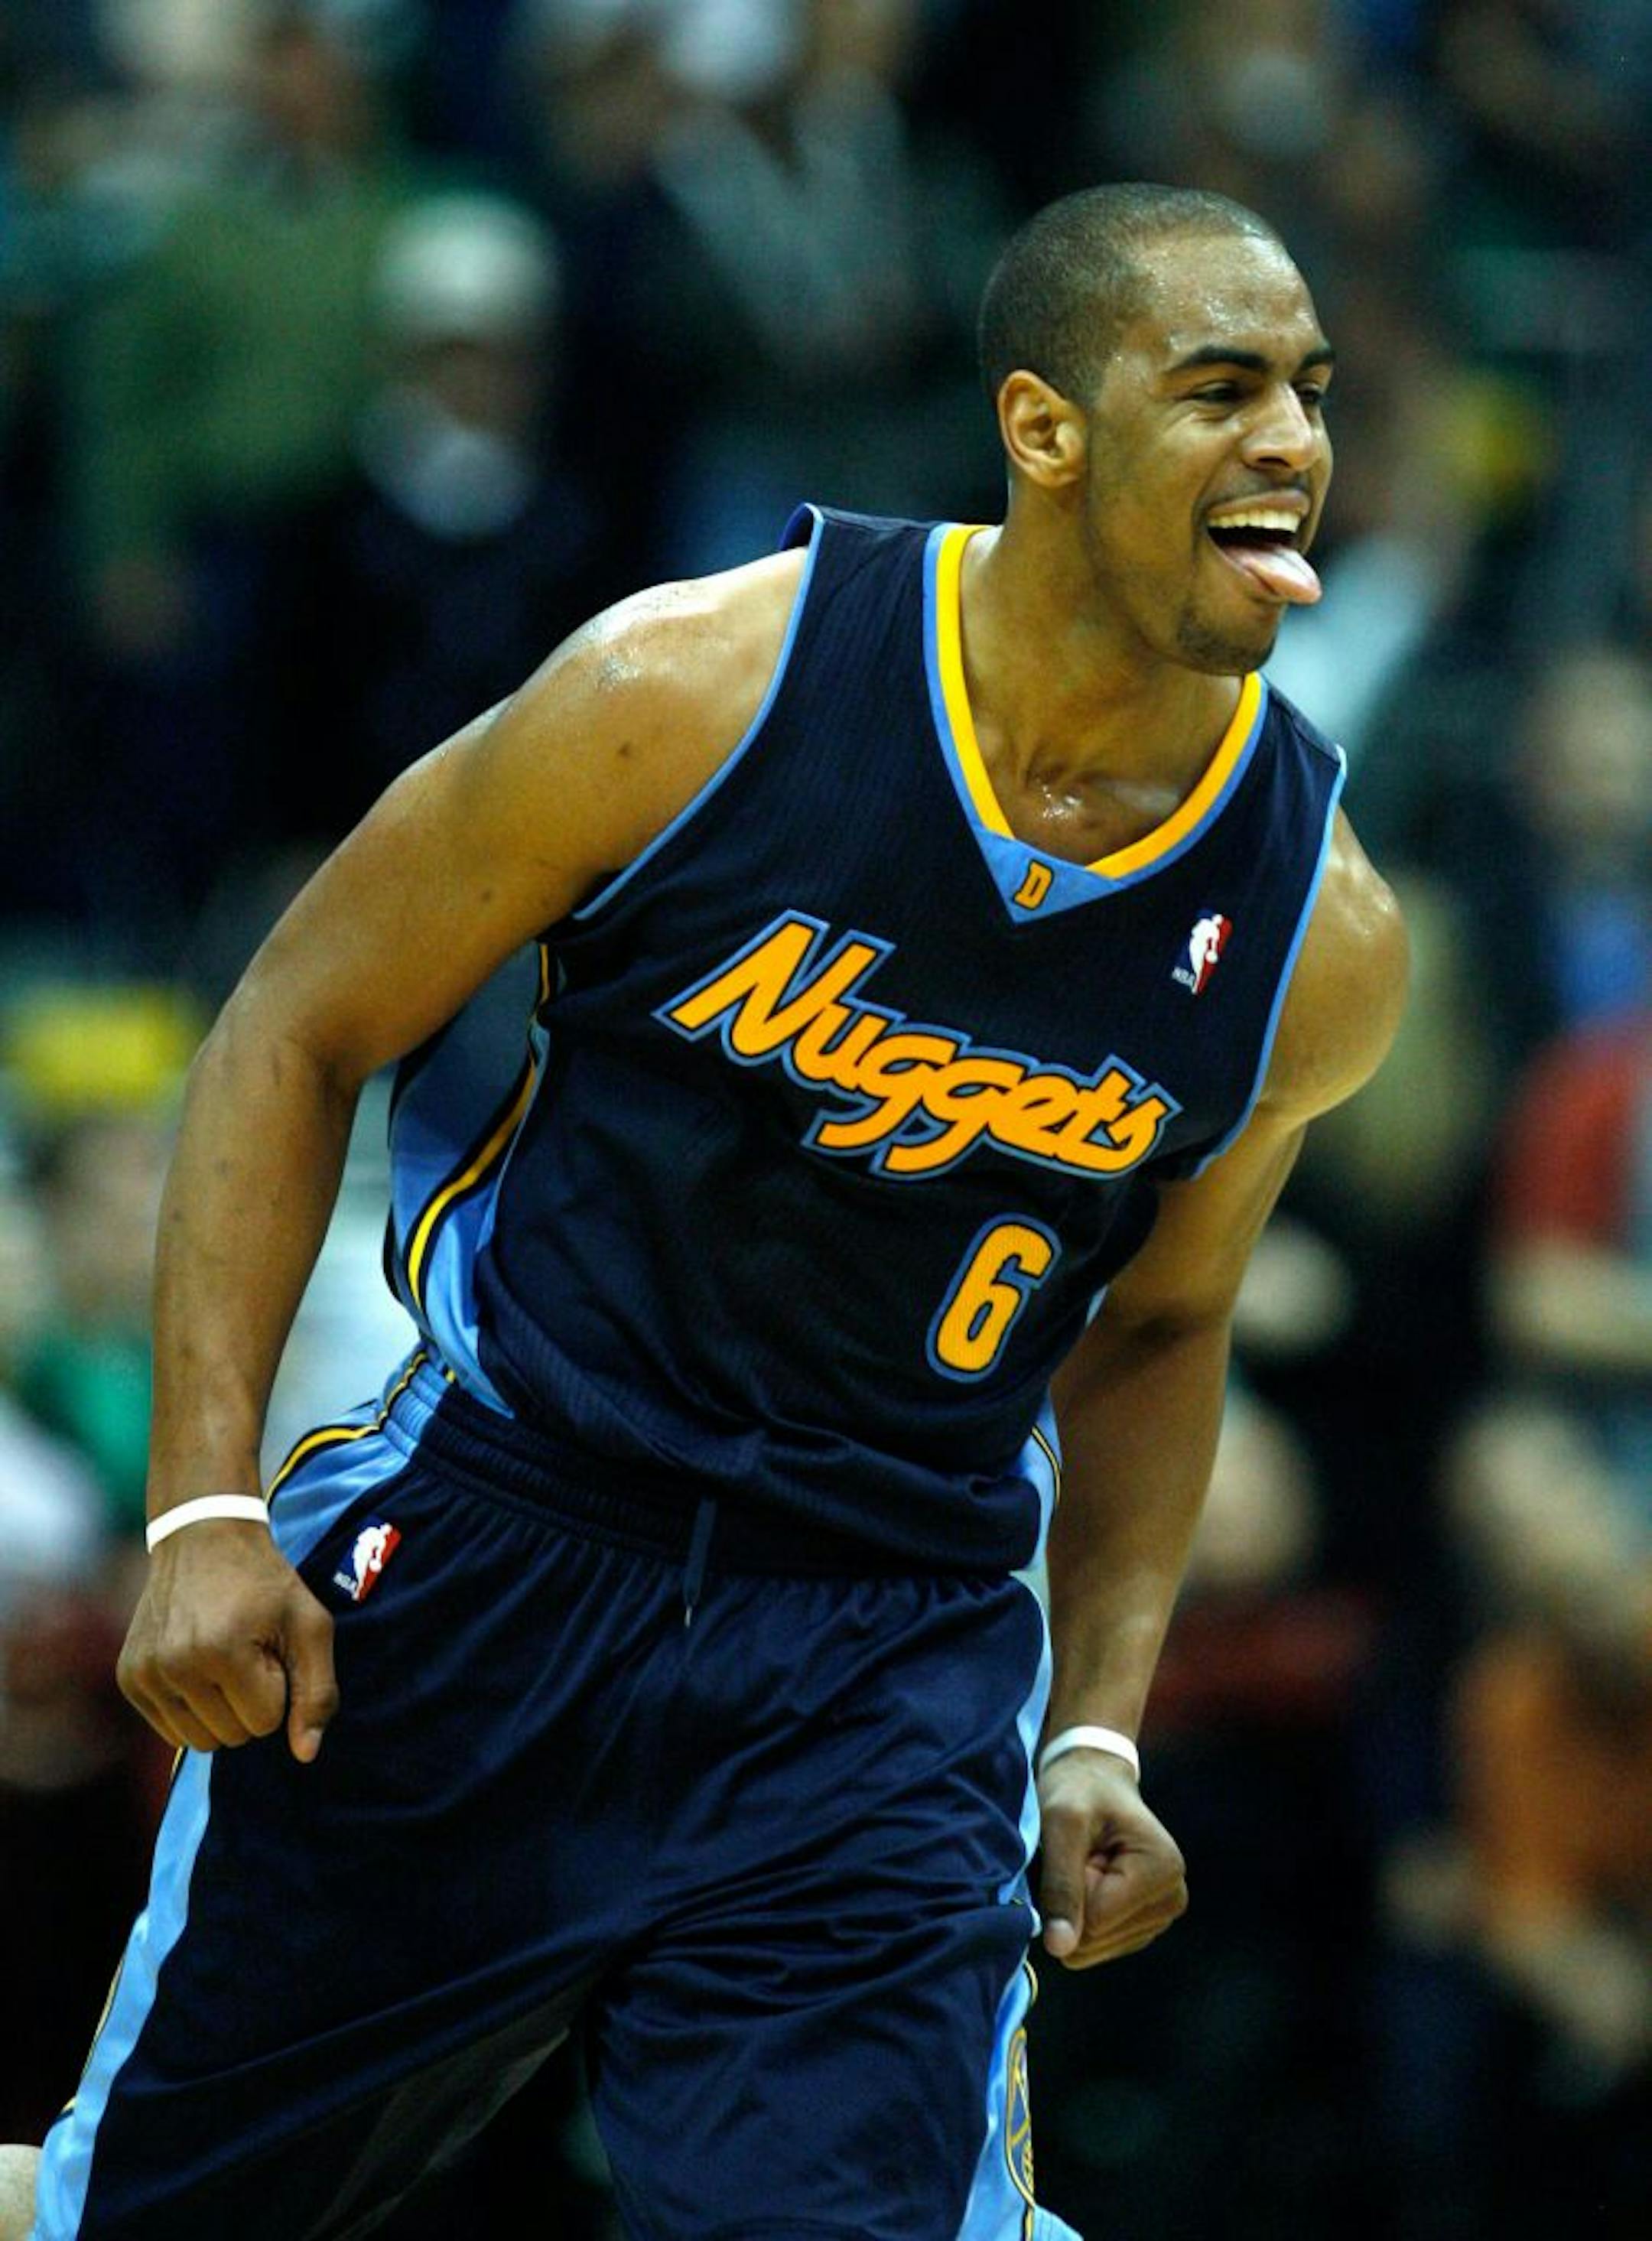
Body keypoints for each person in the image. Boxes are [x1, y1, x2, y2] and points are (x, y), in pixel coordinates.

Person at [11, 181, 1406, 2241]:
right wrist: (205, 1509)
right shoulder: (693, 688)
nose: (1291, 436)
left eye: (1307, 389)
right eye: (1218, 387)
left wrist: (1095, 1726)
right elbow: (299, 1018)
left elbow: (1168, 1328)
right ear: (1044, 430)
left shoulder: (1319, 932)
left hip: (882, 1655)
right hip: (502, 1539)